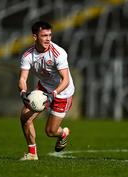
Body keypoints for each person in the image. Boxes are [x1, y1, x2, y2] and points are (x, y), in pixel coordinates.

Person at [18, 20, 75, 160]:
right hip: (44, 89)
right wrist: (23, 92)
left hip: (62, 93)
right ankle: (32, 153)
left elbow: (65, 80)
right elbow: (22, 79)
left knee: (50, 131)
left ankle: (63, 133)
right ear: (35, 37)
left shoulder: (58, 53)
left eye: (50, 35)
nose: (48, 38)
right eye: (44, 35)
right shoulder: (27, 56)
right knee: (24, 117)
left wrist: (53, 94)